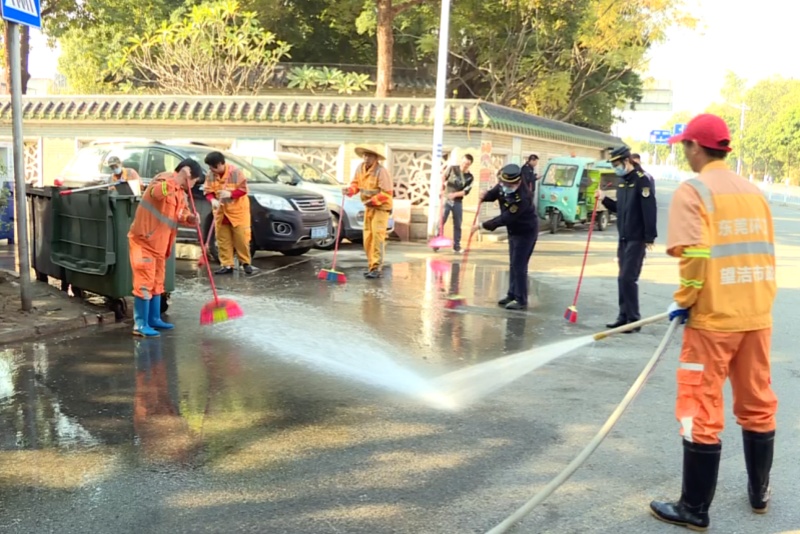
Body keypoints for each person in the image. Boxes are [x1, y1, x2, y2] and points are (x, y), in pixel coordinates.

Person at [649, 114, 778, 531]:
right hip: (756, 315)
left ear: (696, 147)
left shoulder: (695, 190)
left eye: (684, 146)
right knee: (757, 403)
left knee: (700, 408)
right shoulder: (753, 191)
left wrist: (684, 300)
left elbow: (695, 255)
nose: (684, 153)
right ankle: (759, 494)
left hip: (714, 319)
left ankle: (694, 509)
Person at [128, 159, 202, 337]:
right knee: (144, 283)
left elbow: (179, 213)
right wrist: (178, 179)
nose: (193, 185)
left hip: (160, 245)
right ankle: (140, 324)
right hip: (144, 242)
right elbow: (155, 194)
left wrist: (190, 218)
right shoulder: (164, 180)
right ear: (187, 173)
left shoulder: (180, 193)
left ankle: (154, 319)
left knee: (157, 283)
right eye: (194, 181)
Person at [595, 145, 657, 332]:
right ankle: (624, 316)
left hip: (637, 237)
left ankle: (633, 319)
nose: (616, 168)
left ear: (627, 161)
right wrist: (604, 199)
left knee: (628, 278)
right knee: (622, 278)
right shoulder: (622, 182)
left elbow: (649, 210)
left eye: (617, 164)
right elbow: (620, 209)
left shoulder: (642, 181)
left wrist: (649, 236)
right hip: (623, 236)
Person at [472, 163, 538, 310]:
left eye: (508, 184)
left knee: (519, 265)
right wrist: (484, 196)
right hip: (513, 231)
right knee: (512, 264)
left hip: (525, 232)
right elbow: (494, 193)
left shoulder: (523, 197)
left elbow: (506, 218)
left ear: (518, 182)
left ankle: (521, 300)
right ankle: (512, 294)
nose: (504, 185)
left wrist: (482, 226)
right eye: (503, 182)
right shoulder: (503, 185)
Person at [345, 145, 393, 279]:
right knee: (367, 238)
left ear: (375, 158)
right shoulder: (360, 168)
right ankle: (371, 265)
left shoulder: (381, 171)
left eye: (369, 156)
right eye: (365, 155)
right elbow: (356, 184)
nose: (366, 158)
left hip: (381, 208)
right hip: (368, 207)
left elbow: (387, 194)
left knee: (377, 237)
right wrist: (349, 191)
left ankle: (376, 267)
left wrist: (372, 201)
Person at [203, 151, 253, 275]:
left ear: (221, 164)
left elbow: (243, 189)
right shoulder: (210, 175)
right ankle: (227, 265)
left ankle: (245, 262)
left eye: (214, 167)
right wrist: (212, 200)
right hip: (221, 212)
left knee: (241, 238)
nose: (211, 170)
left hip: (237, 212)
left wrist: (231, 194)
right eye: (210, 167)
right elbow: (208, 191)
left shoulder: (235, 173)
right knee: (222, 239)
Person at [441, 153, 474, 254]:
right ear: (461, 161)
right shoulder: (452, 169)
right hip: (447, 199)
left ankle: (456, 246)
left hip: (458, 202)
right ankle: (437, 240)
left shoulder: (470, 177)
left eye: (467, 164)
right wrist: (442, 187)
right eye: (464, 162)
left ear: (470, 165)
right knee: (442, 219)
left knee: (458, 224)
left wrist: (455, 195)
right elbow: (443, 176)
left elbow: (466, 191)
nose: (465, 165)